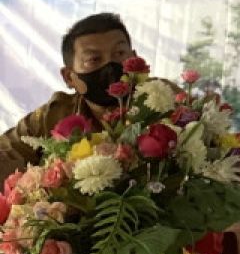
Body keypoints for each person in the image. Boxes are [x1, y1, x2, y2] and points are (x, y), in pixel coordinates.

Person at [0, 12, 139, 180]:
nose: (110, 66)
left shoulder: (163, 101)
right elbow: (7, 151)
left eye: (119, 54)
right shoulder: (51, 117)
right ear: (68, 77)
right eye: (94, 59)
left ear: (135, 58)